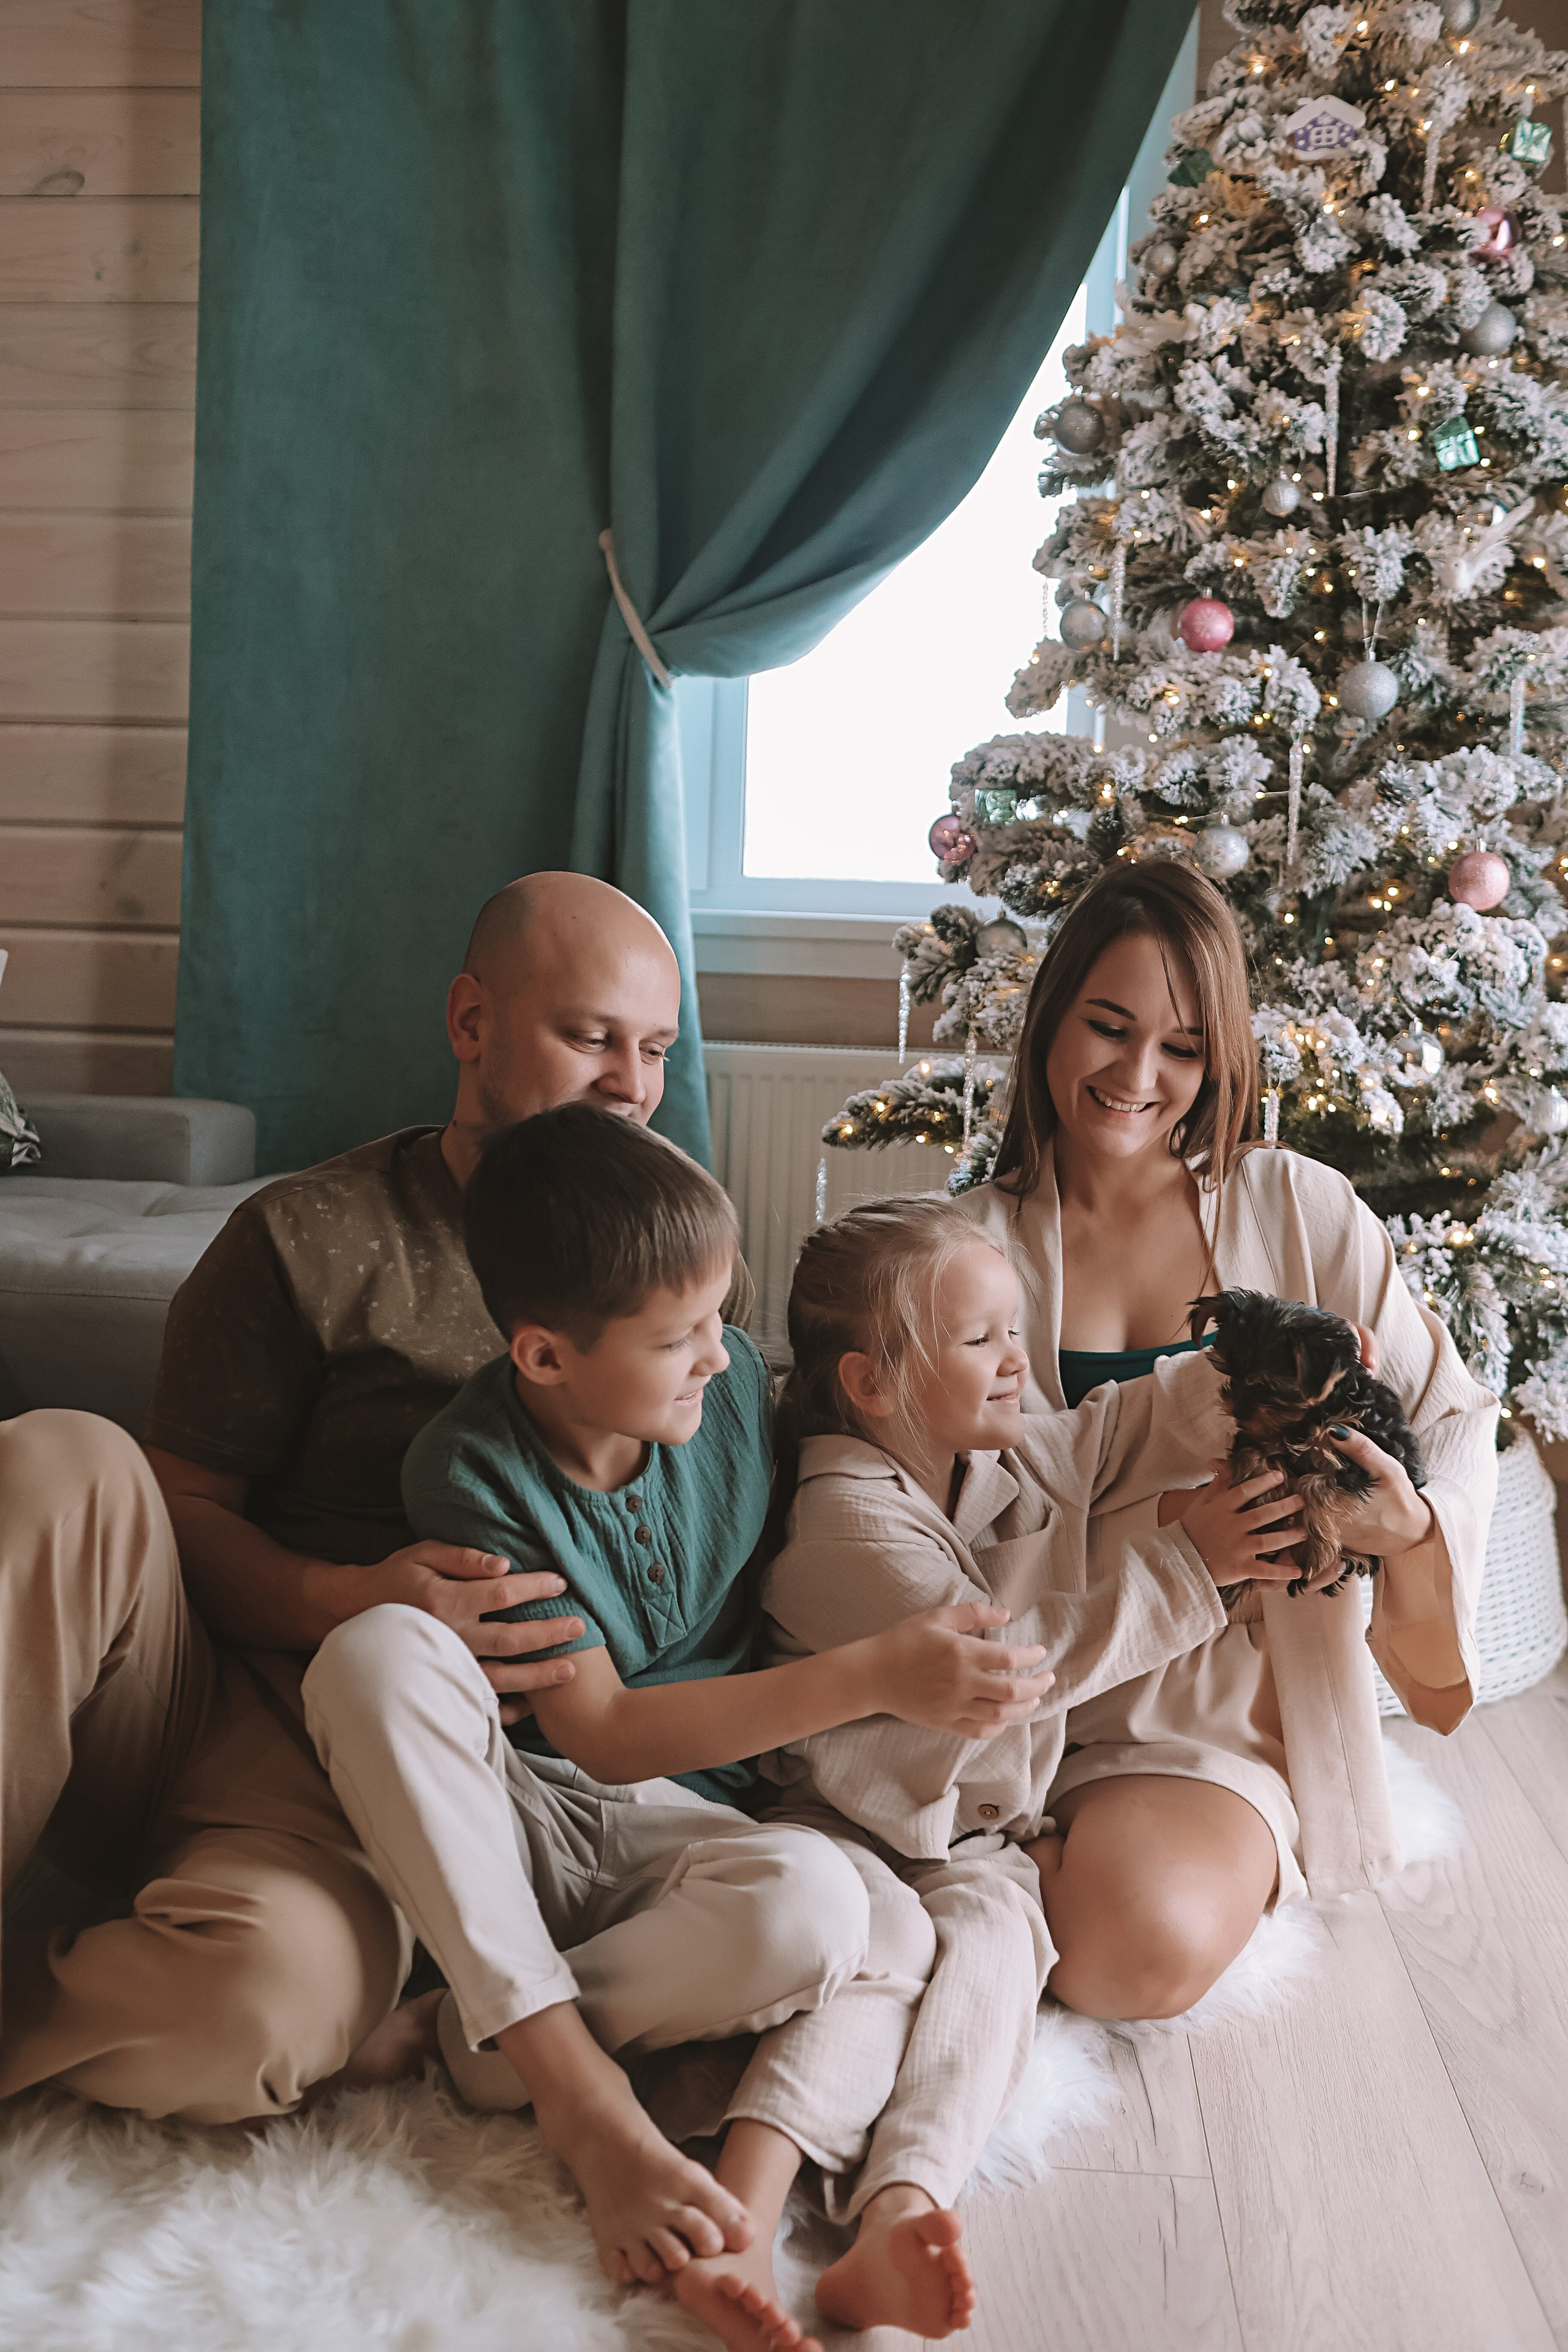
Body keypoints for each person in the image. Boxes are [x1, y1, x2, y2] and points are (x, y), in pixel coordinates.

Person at [298, 1107, 1057, 2340]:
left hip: (693, 1837)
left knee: (836, 1913)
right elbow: (597, 1734)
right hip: (528, 1812)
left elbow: (921, 1434)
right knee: (373, 1655)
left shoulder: (743, 1402)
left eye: (719, 1319)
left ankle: (470, 2036)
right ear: (544, 1358)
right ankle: (578, 2097)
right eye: (677, 1339)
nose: (717, 1356)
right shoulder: (470, 1470)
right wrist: (874, 1676)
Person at [0, 872, 739, 2120]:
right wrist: (350, 1595)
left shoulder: (668, 1265)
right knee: (69, 1457)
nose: (629, 1083)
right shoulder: (313, 1234)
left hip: (400, 1796)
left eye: (653, 1049)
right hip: (212, 1698)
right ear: (470, 1024)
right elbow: (176, 1515)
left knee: (246, 2015)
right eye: (589, 1036)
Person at [668, 1194, 1297, 2345]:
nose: (1021, 1363)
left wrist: (1257, 1371)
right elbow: (1011, 1668)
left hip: (967, 1837)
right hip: (846, 1833)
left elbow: (1106, 1431)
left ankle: (905, 2207)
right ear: (872, 1385)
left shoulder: (981, 1453)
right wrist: (1189, 1570)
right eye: (984, 1342)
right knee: (876, 1985)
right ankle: (745, 2224)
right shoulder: (845, 1523)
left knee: (1005, 1950)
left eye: (1016, 1331)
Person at [953, 860, 1499, 2018]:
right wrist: (1169, 1538)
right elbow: (916, 1508)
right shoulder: (962, 1245)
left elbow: (1453, 1417)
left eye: (1183, 1049)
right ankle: (981, 1889)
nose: (1137, 1077)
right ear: (1052, 1017)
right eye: (1107, 1027)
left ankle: (1004, 1904)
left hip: (1206, 1711)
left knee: (1128, 1954)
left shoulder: (1299, 1208)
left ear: (1220, 1062)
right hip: (1022, 1672)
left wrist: (1407, 1527)